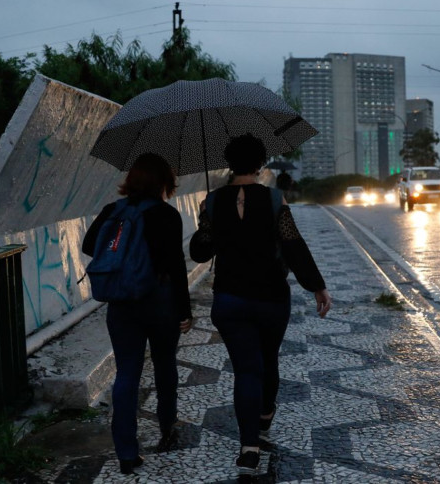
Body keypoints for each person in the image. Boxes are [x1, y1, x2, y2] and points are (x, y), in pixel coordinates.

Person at [189, 133, 332, 474]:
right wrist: (316, 286)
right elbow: (293, 244)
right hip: (270, 298)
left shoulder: (212, 201)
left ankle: (249, 449)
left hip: (230, 299)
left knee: (246, 370)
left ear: (230, 163)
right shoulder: (274, 200)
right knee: (267, 361)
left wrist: (205, 222)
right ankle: (265, 413)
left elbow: (199, 252)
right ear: (259, 164)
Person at [82, 153, 192, 475]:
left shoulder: (112, 211)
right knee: (164, 364)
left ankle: (127, 453)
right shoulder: (167, 216)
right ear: (164, 182)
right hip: (159, 300)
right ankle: (167, 426)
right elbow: (176, 267)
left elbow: (91, 246)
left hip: (122, 303)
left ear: (131, 181)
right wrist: (184, 310)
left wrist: (123, 252)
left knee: (127, 373)